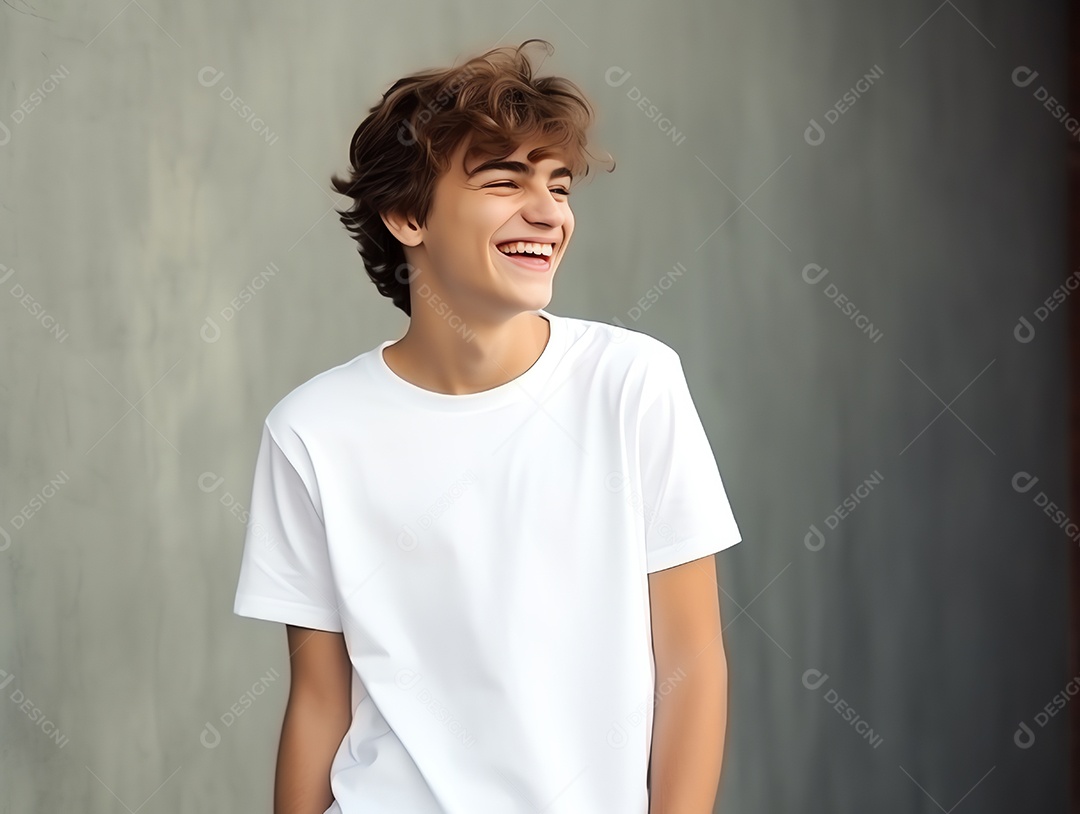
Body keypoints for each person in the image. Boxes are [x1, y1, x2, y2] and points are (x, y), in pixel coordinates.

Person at [233, 38, 742, 814]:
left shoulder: (631, 382)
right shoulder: (311, 431)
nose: (547, 213)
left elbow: (693, 661)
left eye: (559, 185)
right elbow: (317, 702)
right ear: (407, 216)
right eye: (506, 181)